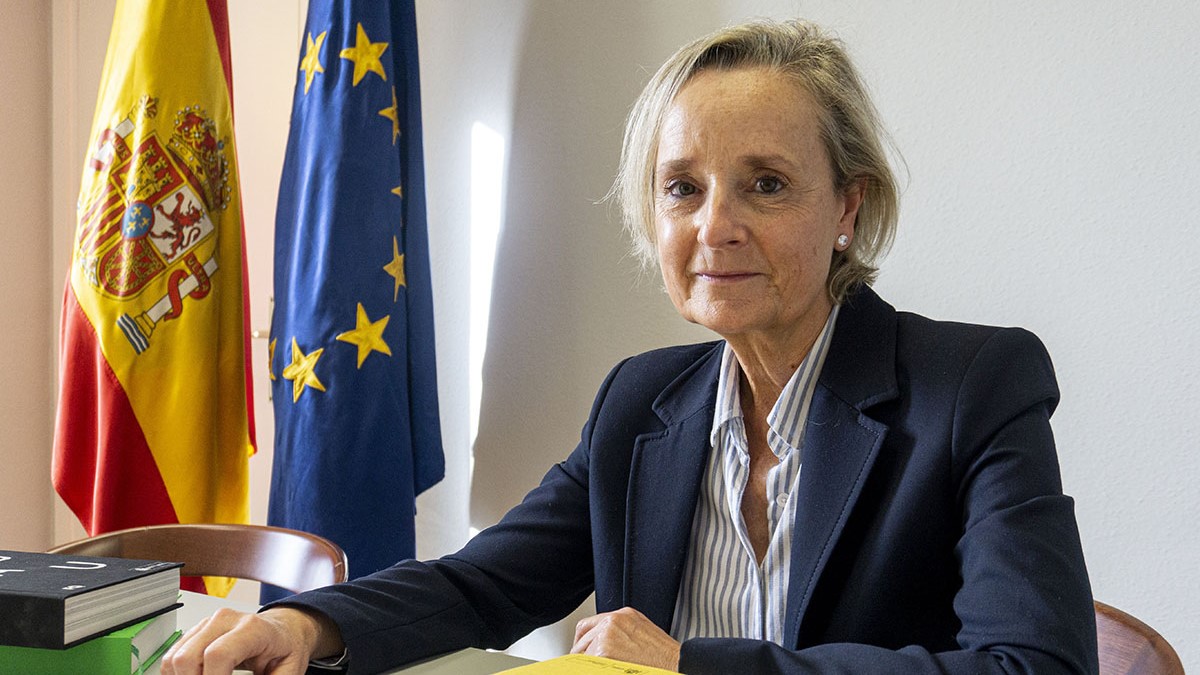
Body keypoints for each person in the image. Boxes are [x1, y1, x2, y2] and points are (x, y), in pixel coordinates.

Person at [163, 18, 1097, 675]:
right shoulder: (641, 402)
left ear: (848, 206)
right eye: (683, 187)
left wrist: (691, 665)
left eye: (766, 184)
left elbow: (1036, 664)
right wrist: (305, 625)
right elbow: (483, 584)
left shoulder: (974, 387)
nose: (715, 226)